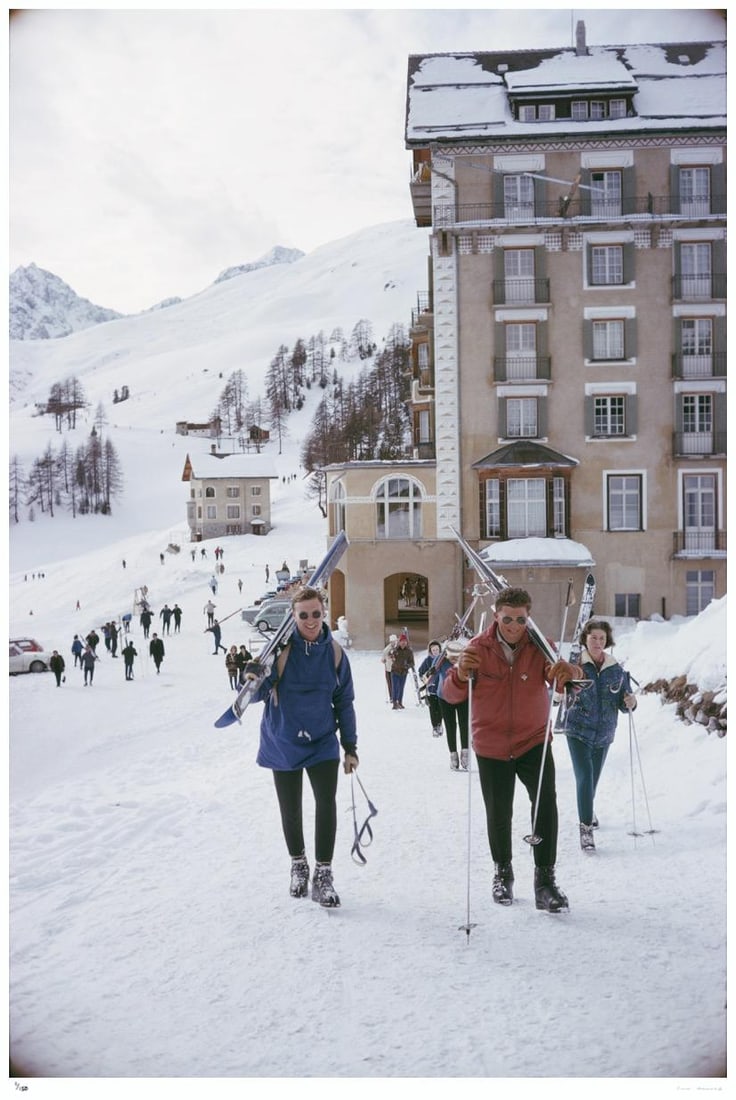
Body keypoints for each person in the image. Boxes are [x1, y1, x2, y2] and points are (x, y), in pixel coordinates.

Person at [443, 586, 581, 913]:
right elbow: (449, 694)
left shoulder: (539, 645)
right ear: (496, 615)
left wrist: (568, 673)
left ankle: (544, 882)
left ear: (527, 617)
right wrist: (462, 673)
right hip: (491, 744)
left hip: (533, 740)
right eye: (507, 619)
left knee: (545, 805)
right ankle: (502, 873)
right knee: (499, 812)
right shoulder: (478, 647)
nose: (514, 626)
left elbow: (568, 680)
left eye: (520, 619)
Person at [244, 585, 358, 908]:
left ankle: (323, 875)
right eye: (303, 615)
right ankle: (298, 865)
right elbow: (256, 695)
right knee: (290, 808)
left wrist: (349, 746)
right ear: (293, 617)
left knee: (326, 804)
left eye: (316, 614)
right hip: (283, 740)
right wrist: (252, 676)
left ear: (325, 615)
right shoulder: (279, 651)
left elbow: (344, 701)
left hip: (322, 740)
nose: (310, 621)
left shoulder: (335, 654)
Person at [563, 620, 637, 851]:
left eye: (601, 638)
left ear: (607, 641)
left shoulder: (616, 670)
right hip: (578, 730)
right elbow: (557, 691)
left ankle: (588, 808)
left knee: (592, 780)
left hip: (604, 734)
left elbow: (625, 703)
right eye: (593, 637)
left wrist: (631, 702)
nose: (597, 642)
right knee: (584, 777)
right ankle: (585, 829)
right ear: (585, 638)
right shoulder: (574, 666)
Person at [436, 641, 470, 771]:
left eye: (457, 656)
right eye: (452, 656)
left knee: (464, 724)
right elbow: (432, 671)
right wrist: (442, 655)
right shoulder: (442, 662)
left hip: (463, 697)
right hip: (444, 697)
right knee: (450, 726)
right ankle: (453, 755)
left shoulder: (464, 663)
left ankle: (465, 753)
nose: (454, 659)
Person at [418, 640, 444, 737]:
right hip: (431, 690)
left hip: (441, 689)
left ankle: (439, 724)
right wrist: (425, 679)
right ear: (430, 651)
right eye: (433, 650)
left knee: (441, 708)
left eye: (437, 649)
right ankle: (434, 727)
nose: (436, 651)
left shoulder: (443, 660)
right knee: (433, 709)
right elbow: (421, 672)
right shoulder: (428, 660)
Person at [389, 633, 414, 710]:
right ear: (399, 642)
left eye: (405, 641)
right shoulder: (395, 650)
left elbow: (412, 663)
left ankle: (400, 702)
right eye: (402, 641)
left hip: (403, 672)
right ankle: (394, 703)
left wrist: (407, 666)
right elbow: (389, 654)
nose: (403, 643)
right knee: (395, 687)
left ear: (406, 642)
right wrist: (391, 655)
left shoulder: (409, 651)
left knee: (401, 688)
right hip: (395, 671)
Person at [380, 634, 397, 703]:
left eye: (394, 641)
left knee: (396, 684)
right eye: (392, 641)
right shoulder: (386, 650)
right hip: (388, 669)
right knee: (390, 684)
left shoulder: (397, 648)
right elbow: (382, 659)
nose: (393, 643)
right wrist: (384, 661)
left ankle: (396, 697)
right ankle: (391, 697)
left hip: (396, 669)